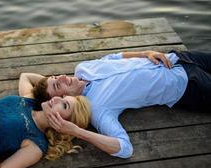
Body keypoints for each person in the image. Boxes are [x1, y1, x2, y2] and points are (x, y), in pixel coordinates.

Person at [19, 50, 211, 159]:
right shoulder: (98, 109)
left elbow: (115, 58)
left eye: (56, 77)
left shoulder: (82, 68)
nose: (62, 77)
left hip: (176, 58)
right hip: (186, 86)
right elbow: (125, 149)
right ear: (64, 100)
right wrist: (76, 131)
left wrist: (146, 53)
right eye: (58, 87)